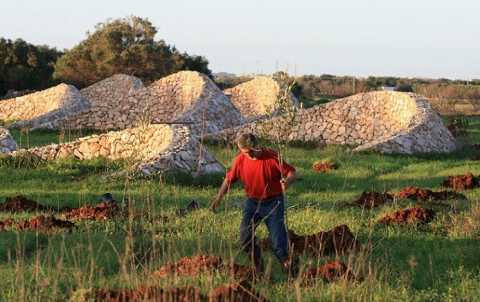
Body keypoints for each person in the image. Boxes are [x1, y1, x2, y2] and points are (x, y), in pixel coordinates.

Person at [209, 133, 298, 276]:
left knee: (278, 242)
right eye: (244, 152)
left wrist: (287, 182)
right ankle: (259, 267)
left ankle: (291, 270)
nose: (247, 155)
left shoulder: (272, 157)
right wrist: (218, 198)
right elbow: (228, 179)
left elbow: (292, 172)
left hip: (274, 202)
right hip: (252, 203)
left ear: (256, 147)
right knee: (245, 238)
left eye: (249, 151)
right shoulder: (240, 160)